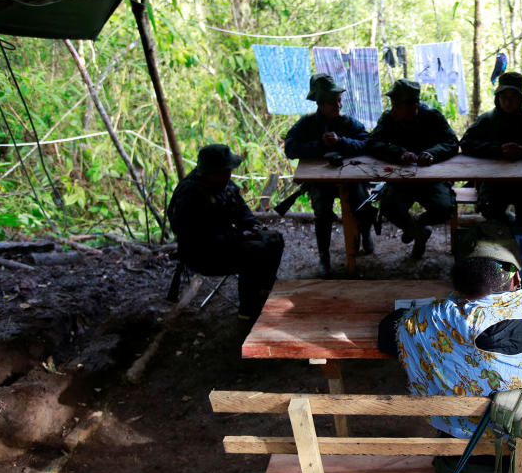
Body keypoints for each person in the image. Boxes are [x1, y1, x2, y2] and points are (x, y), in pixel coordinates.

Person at [378, 222, 522, 439]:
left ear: (460, 280)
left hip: (465, 457)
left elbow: (388, 334)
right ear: (517, 276)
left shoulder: (430, 321)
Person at [168, 144, 284, 321]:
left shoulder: (223, 183)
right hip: (202, 254)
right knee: (253, 251)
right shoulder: (190, 195)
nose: (230, 173)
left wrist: (254, 227)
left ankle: (265, 290)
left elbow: (242, 210)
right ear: (211, 171)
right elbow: (197, 239)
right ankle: (248, 311)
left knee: (274, 239)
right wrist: (239, 237)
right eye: (225, 170)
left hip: (227, 242)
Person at [284, 73, 375, 277]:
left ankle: (366, 231)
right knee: (323, 213)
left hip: (351, 178)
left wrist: (341, 142)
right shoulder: (306, 125)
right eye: (333, 102)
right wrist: (319, 145)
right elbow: (290, 148)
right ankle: (324, 256)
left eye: (339, 101)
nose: (338, 106)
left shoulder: (348, 123)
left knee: (363, 204)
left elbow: (367, 143)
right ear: (320, 104)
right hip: (320, 181)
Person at [366, 79, 459, 259]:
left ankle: (417, 226)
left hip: (431, 180)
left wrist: (432, 153)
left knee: (445, 208)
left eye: (397, 105)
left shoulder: (432, 117)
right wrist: (399, 153)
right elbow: (372, 143)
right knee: (387, 206)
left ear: (414, 106)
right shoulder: (388, 119)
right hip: (401, 180)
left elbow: (452, 142)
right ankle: (419, 233)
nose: (393, 109)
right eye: (392, 105)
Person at [460, 71, 522, 226]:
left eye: (513, 97)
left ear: (520, 98)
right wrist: (497, 150)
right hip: (493, 181)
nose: (508, 102)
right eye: (504, 97)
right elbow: (466, 143)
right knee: (491, 214)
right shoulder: (487, 120)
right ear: (497, 98)